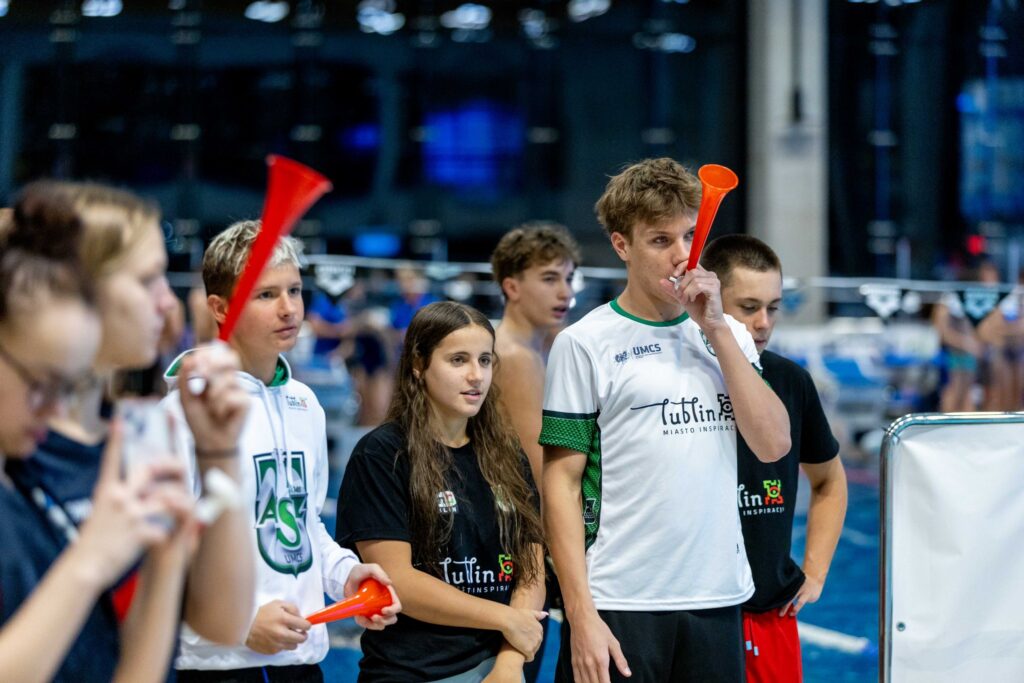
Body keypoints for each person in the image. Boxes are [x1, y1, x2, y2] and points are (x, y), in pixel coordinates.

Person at [541, 158, 791, 683]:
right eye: (660, 240)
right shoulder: (584, 344)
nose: (683, 256)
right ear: (621, 245)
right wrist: (580, 615)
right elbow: (561, 485)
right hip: (620, 600)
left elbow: (773, 445)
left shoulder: (729, 335)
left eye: (689, 236)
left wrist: (717, 329)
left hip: (718, 596)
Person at [164, 220, 401, 683]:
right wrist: (238, 624)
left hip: (300, 663)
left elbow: (303, 524)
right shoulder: (182, 412)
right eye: (266, 295)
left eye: (294, 290)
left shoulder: (304, 404)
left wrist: (345, 576)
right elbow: (159, 556)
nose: (289, 308)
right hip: (221, 668)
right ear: (220, 308)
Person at [0, 182, 198, 682]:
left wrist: (168, 558)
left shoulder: (23, 495)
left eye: (64, 387)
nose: (52, 409)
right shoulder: (26, 487)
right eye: (42, 383)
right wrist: (89, 562)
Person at [336, 301, 547, 682]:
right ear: (419, 364)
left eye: (485, 360)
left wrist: (510, 662)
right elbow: (397, 579)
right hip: (413, 671)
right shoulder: (382, 455)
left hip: (503, 666)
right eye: (458, 360)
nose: (476, 375)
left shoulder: (506, 453)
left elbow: (530, 566)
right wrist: (505, 618)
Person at [703, 234, 848, 683]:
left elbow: (829, 480)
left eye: (773, 307)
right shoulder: (679, 380)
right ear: (711, 301)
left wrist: (815, 571)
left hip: (770, 614)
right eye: (748, 308)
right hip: (697, 614)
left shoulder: (790, 381)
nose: (763, 323)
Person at [490, 221, 580, 682]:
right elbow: (540, 472)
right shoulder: (516, 357)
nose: (565, 292)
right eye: (549, 278)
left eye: (568, 278)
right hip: (515, 546)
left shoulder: (532, 349)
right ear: (512, 286)